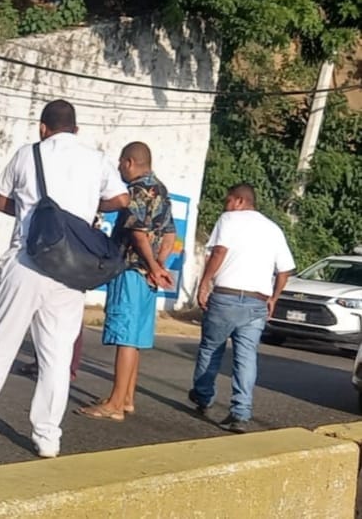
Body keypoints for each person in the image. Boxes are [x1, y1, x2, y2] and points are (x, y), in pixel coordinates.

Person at [0, 100, 129, 459]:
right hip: (71, 269)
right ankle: (47, 436)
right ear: (76, 130)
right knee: (57, 357)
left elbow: (0, 202)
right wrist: (85, 209)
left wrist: (34, 212)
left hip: (27, 261)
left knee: (2, 343)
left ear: (43, 128)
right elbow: (121, 198)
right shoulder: (96, 158)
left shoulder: (28, 153)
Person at [76, 141, 176, 422]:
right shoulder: (161, 189)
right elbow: (169, 234)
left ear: (130, 162)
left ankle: (115, 404)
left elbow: (138, 234)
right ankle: (127, 397)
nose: (119, 168)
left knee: (125, 338)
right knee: (136, 337)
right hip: (148, 277)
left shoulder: (135, 191)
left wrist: (151, 265)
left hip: (131, 270)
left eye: (121, 163)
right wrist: (159, 266)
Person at [189, 183, 295, 433]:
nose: (225, 205)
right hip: (257, 301)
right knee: (245, 358)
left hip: (225, 297)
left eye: (228, 201)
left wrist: (204, 284)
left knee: (211, 349)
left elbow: (219, 252)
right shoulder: (273, 229)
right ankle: (240, 413)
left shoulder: (229, 219)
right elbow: (284, 270)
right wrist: (274, 298)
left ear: (238, 201)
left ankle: (203, 396)